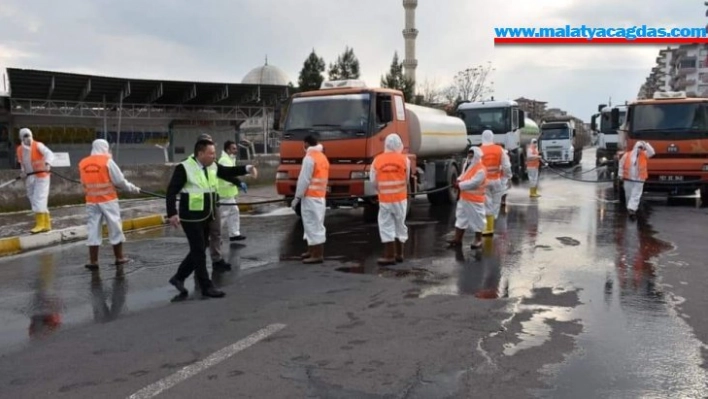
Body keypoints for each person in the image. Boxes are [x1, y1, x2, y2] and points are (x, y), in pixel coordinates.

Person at [165, 139, 254, 300]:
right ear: (200, 153)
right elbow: (171, 191)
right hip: (191, 216)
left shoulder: (212, 166)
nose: (214, 156)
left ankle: (178, 277)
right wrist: (172, 213)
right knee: (199, 250)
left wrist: (247, 169)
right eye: (211, 153)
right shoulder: (184, 167)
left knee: (201, 247)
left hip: (207, 213)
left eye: (214, 153)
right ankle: (206, 286)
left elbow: (227, 171)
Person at [79, 139, 141, 270]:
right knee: (115, 227)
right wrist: (133, 188)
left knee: (93, 229)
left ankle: (93, 261)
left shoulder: (83, 163)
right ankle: (119, 258)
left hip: (91, 201)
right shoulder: (107, 161)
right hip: (108, 200)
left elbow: (84, 183)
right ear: (105, 147)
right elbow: (120, 181)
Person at [370, 133, 410, 265]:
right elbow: (407, 179)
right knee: (400, 224)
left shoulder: (377, 160)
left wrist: (380, 191)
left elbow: (373, 181)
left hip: (386, 200)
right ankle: (399, 254)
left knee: (386, 226)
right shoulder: (405, 160)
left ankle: (389, 255)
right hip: (401, 199)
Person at [291, 135, 329, 264]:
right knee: (312, 225)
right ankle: (311, 250)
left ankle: (317, 254)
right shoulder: (322, 157)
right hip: (319, 196)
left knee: (313, 225)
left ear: (306, 143)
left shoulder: (309, 158)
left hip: (310, 197)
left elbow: (304, 180)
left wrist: (296, 198)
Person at [16, 128, 55, 234]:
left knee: (39, 198)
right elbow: (22, 163)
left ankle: (40, 224)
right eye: (25, 136)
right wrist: (23, 172)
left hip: (42, 175)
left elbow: (49, 154)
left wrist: (47, 164)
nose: (27, 138)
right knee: (33, 198)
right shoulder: (20, 149)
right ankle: (47, 224)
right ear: (21, 138)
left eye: (28, 135)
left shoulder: (38, 145)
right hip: (30, 177)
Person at [447, 146, 487, 249]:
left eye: (471, 154)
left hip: (475, 200)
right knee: (461, 219)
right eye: (469, 153)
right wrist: (458, 181)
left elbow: (474, 183)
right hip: (464, 198)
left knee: (477, 220)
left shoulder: (481, 169)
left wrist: (459, 185)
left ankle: (478, 240)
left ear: (476, 155)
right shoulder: (467, 165)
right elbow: (464, 175)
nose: (469, 156)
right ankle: (458, 239)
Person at [480, 130, 512, 236]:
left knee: (487, 203)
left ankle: (488, 228)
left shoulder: (479, 150)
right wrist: (508, 175)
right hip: (496, 180)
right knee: (496, 203)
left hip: (484, 181)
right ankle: (491, 225)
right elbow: (506, 166)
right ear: (492, 137)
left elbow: (474, 167)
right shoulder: (499, 149)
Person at [217, 140, 249, 242]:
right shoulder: (224, 161)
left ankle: (234, 234)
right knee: (222, 216)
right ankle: (214, 237)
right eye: (233, 148)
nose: (236, 150)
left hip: (229, 193)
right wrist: (237, 182)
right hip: (224, 193)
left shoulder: (230, 159)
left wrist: (237, 183)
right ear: (227, 150)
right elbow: (227, 175)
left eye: (236, 148)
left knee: (234, 212)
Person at [618, 140, 655, 219]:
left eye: (641, 148)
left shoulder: (644, 154)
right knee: (628, 194)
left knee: (636, 194)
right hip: (628, 179)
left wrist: (646, 144)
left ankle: (632, 209)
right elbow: (621, 164)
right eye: (639, 147)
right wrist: (620, 175)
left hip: (639, 179)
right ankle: (629, 208)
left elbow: (652, 152)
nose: (640, 149)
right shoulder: (627, 155)